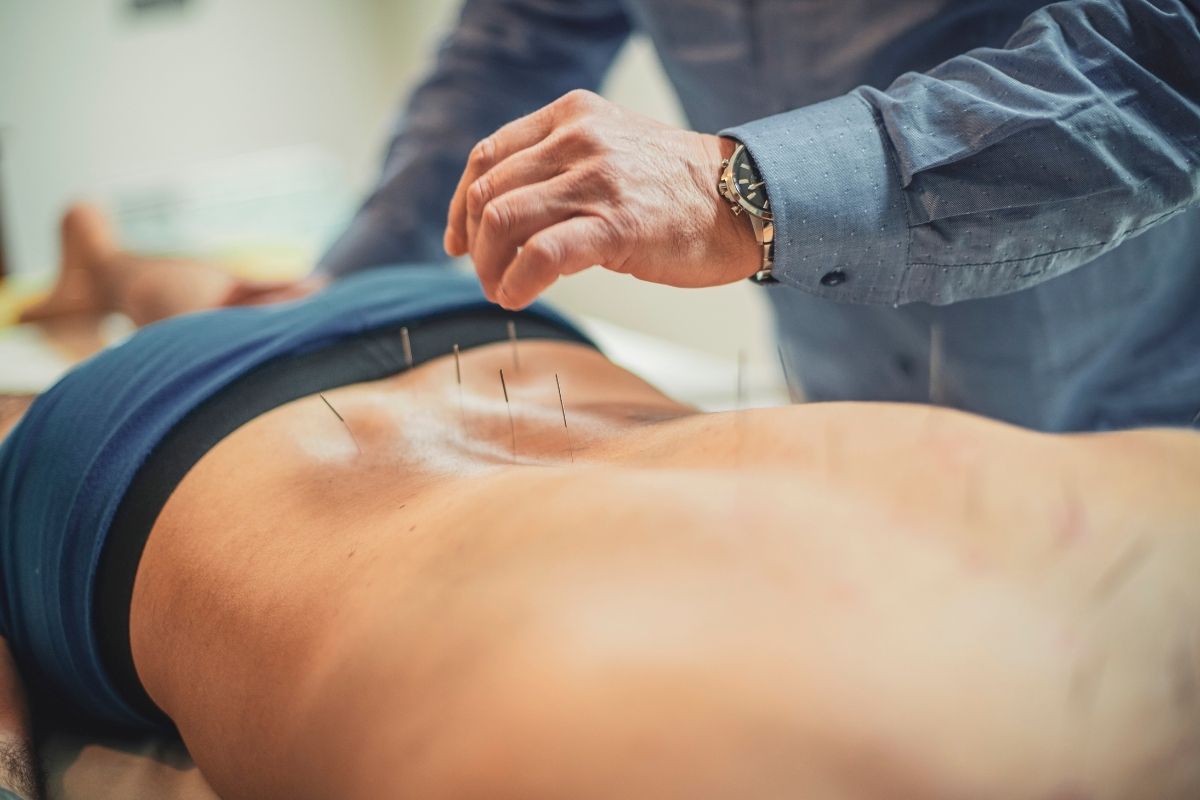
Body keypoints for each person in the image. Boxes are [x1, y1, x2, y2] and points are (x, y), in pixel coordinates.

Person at [0, 206, 1198, 799]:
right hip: (420, 345)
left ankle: (112, 263)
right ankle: (114, 263)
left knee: (245, 308)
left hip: (207, 413)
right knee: (248, 304)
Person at [319, 0, 1200, 433]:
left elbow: (1164, 60)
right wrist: (355, 284)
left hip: (1131, 411)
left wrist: (743, 191)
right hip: (837, 408)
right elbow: (528, 28)